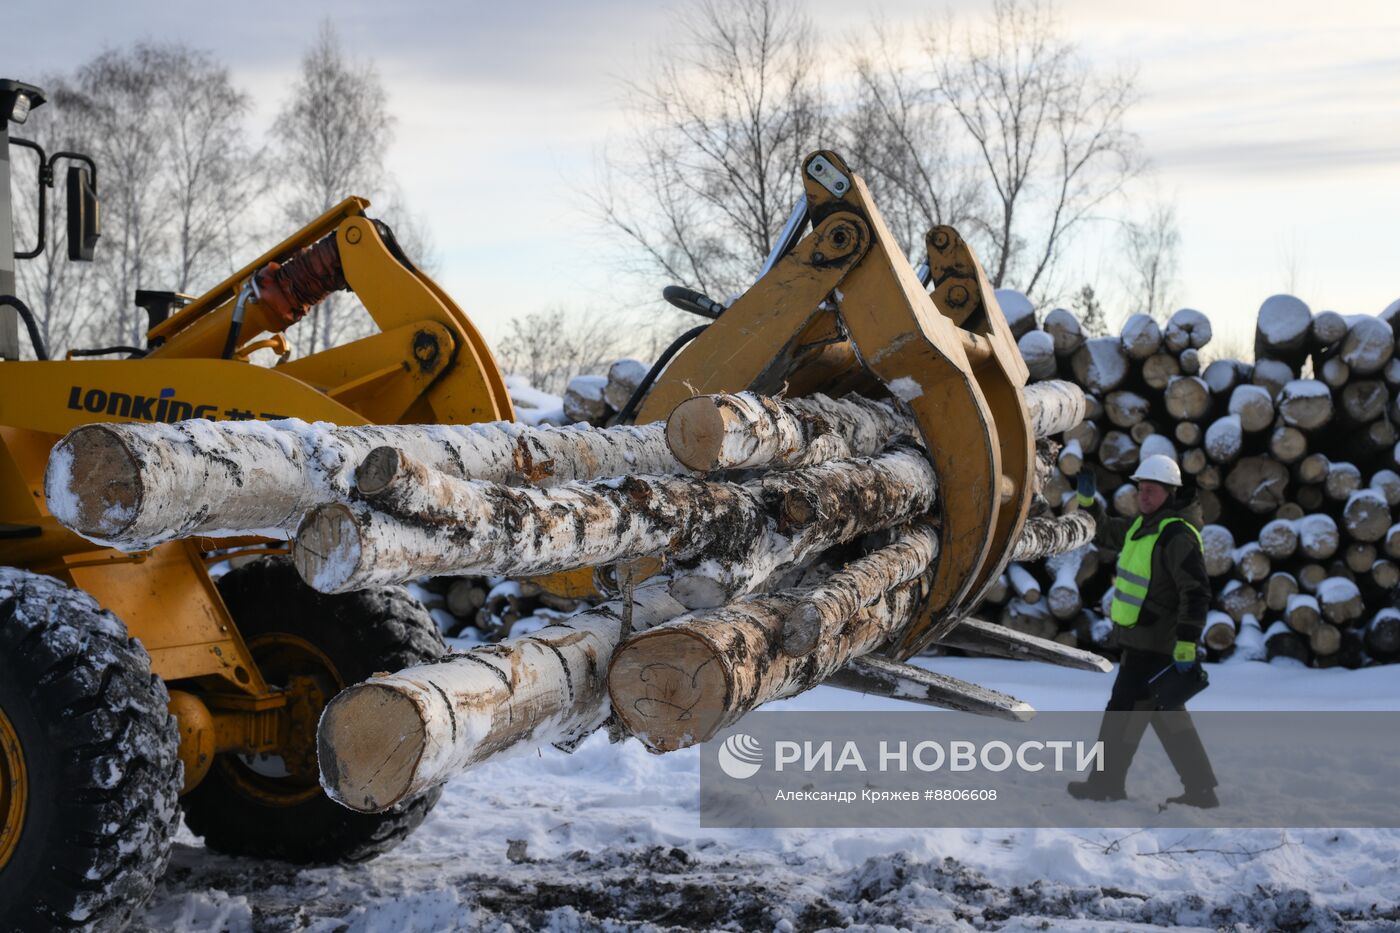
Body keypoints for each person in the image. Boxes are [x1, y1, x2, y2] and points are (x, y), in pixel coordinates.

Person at [1067, 454, 1219, 808]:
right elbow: (1104, 532)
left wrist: (1186, 642)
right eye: (1141, 489)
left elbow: (1196, 591)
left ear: (1171, 492)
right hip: (1141, 642)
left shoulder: (1177, 534)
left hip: (1158, 647)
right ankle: (1200, 790)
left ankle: (1105, 785)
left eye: (1152, 490)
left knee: (1123, 713)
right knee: (1165, 716)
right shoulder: (1143, 527)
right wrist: (1088, 501)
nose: (1144, 496)